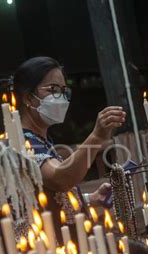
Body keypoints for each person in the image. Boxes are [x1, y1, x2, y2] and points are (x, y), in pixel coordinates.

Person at [13, 56, 126, 241]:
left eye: (64, 91)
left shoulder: (42, 141)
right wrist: (96, 137)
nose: (61, 98)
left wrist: (89, 198)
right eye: (53, 90)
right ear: (27, 97)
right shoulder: (21, 143)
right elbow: (59, 178)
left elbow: (48, 196)